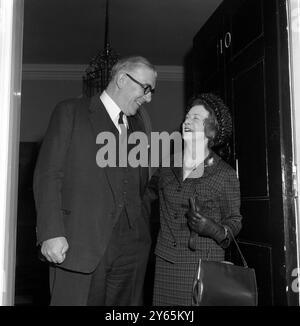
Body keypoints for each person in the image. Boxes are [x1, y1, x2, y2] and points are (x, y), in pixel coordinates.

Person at [33, 56, 157, 306]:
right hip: (80, 244)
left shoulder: (139, 129)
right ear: (122, 79)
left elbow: (142, 186)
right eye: (147, 89)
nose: (149, 98)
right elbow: (48, 174)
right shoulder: (70, 112)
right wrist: (51, 232)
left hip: (131, 252)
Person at [144, 93, 242, 306]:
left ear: (211, 129)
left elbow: (235, 220)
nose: (187, 121)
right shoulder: (167, 167)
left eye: (196, 118)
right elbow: (143, 199)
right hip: (165, 262)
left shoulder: (224, 174)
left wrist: (213, 228)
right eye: (187, 117)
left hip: (202, 268)